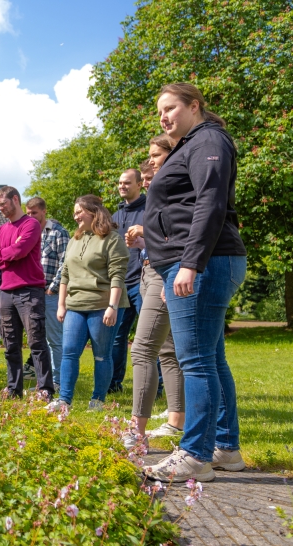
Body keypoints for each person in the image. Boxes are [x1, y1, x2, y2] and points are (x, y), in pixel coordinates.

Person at [143, 83, 247, 483]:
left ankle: (195, 455)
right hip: (200, 262)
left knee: (196, 361)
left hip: (202, 263)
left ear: (194, 106)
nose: (164, 117)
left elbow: (210, 200)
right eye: (160, 112)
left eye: (170, 108)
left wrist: (190, 262)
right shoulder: (191, 144)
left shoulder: (208, 139)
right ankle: (225, 448)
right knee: (212, 359)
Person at [122, 135, 186, 449]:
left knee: (143, 348)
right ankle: (176, 420)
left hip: (165, 273)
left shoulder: (177, 192)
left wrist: (146, 234)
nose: (148, 177)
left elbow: (180, 234)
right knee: (166, 350)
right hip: (152, 270)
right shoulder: (161, 196)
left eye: (155, 157)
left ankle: (137, 434)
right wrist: (144, 241)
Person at [47, 195, 129, 411]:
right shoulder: (75, 240)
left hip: (103, 305)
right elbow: (64, 273)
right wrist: (61, 304)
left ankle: (98, 400)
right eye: (74, 213)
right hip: (75, 304)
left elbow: (117, 275)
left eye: (78, 212)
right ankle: (64, 400)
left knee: (102, 354)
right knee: (69, 351)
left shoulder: (112, 239)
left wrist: (112, 306)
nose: (75, 216)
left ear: (93, 211)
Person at [0, 186, 54, 398]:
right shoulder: (1, 230)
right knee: (10, 344)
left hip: (29, 290)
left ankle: (45, 390)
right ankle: (14, 389)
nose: (0, 209)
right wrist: (8, 253)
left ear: (15, 199)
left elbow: (20, 250)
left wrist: (3, 253)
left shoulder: (31, 224)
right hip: (6, 292)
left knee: (36, 342)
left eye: (3, 204)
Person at [22, 197, 70, 392]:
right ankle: (45, 382)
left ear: (44, 212)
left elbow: (66, 263)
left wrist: (53, 287)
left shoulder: (58, 232)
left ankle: (58, 381)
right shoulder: (28, 232)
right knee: (37, 339)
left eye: (34, 213)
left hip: (50, 294)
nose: (31, 217)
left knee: (54, 340)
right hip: (31, 293)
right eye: (28, 213)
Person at [108, 169, 147, 394]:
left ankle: (158, 385)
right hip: (121, 286)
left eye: (127, 183)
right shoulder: (115, 215)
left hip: (143, 282)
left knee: (152, 337)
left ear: (139, 185)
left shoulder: (149, 210)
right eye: (120, 183)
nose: (122, 186)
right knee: (116, 336)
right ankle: (114, 384)